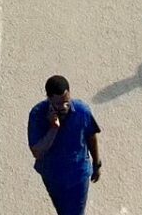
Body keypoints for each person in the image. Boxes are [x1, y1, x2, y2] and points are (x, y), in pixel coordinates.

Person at [26, 75, 101, 215]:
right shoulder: (37, 115)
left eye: (66, 102)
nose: (64, 107)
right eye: (58, 104)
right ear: (48, 98)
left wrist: (97, 163)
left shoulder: (82, 111)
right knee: (62, 210)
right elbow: (37, 151)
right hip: (53, 177)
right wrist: (54, 128)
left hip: (78, 176)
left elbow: (91, 137)